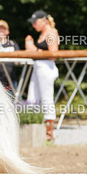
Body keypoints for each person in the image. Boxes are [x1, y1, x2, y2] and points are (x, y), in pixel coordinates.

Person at [24, 10, 59, 141]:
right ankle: (34, 129)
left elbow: (53, 54)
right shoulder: (42, 34)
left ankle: (49, 133)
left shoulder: (51, 33)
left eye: (35, 22)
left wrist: (33, 49)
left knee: (46, 99)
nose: (33, 25)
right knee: (32, 97)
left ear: (43, 21)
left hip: (46, 67)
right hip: (38, 67)